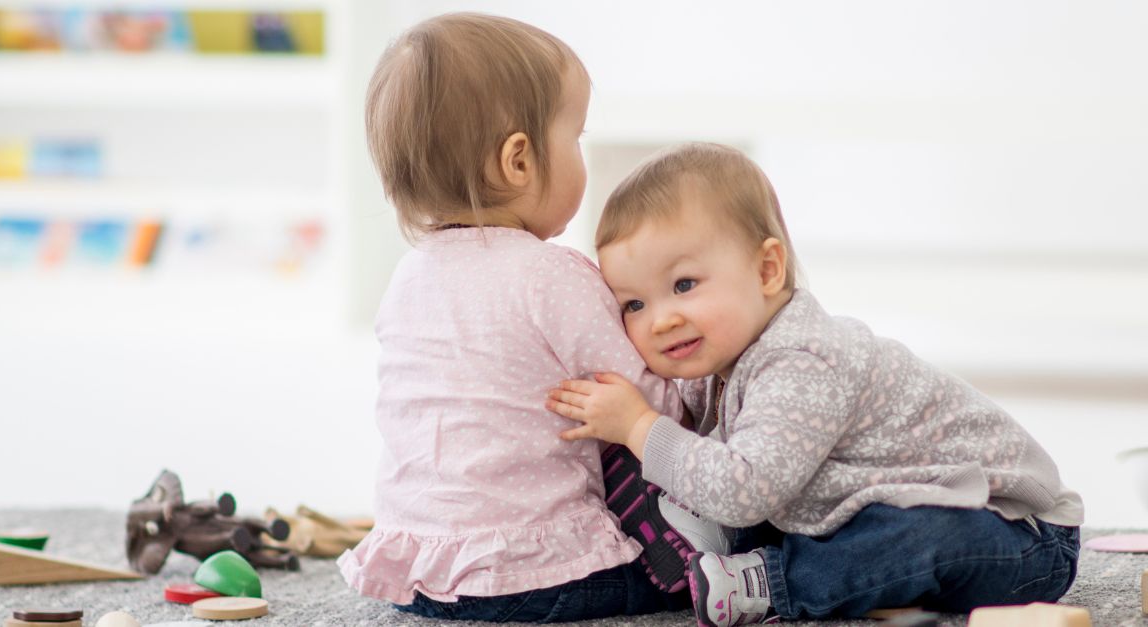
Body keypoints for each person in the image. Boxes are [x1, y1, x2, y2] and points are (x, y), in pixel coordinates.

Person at [546, 142, 1084, 624]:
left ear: (767, 271)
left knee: (914, 539)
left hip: (1017, 533)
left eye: (684, 284)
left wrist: (640, 427)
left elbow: (744, 488)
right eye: (634, 304)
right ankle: (750, 551)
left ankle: (772, 583)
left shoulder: (804, 361)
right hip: (870, 505)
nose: (660, 319)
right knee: (822, 528)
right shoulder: (720, 364)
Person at [338, 13, 701, 622]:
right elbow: (652, 408)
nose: (581, 153)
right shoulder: (550, 274)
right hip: (529, 574)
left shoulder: (407, 277)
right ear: (518, 161)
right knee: (710, 559)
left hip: (422, 572)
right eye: (576, 137)